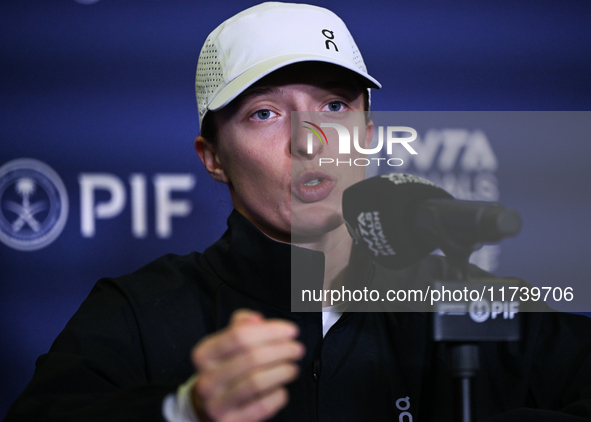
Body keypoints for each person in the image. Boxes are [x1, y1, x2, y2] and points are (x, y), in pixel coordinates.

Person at [5, 2, 591, 422]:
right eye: (265, 112)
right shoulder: (138, 311)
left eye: (334, 105)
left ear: (368, 133)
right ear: (212, 158)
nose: (310, 140)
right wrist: (185, 411)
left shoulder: (464, 303)